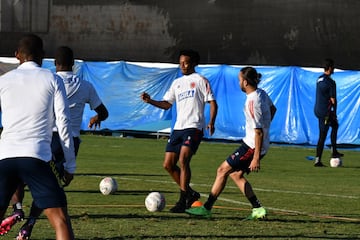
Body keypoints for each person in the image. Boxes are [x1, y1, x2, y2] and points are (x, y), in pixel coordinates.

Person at [10, 46, 109, 240]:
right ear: (73, 64)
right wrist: (97, 118)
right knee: (51, 186)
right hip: (68, 141)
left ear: (55, 63)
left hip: (41, 136)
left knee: (19, 175)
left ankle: (17, 209)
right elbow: (104, 112)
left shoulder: (47, 80)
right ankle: (28, 226)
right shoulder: (85, 86)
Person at [0, 34, 76, 239]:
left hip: (5, 157)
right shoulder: (52, 78)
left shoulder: (3, 81)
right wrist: (70, 166)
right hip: (36, 157)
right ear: (43, 56)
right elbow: (64, 124)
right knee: (60, 220)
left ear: (17, 56)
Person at [186, 66, 276, 219]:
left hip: (252, 146)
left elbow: (258, 131)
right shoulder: (261, 93)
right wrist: (266, 127)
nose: (239, 83)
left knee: (222, 170)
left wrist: (255, 157)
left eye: (239, 80)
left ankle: (207, 208)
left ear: (246, 82)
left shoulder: (252, 101)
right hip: (256, 144)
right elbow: (273, 109)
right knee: (235, 175)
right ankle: (258, 209)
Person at [141, 49, 218, 213]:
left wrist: (211, 122)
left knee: (183, 160)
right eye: (181, 62)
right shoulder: (177, 83)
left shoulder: (200, 80)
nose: (182, 65)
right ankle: (190, 193)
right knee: (168, 165)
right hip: (178, 128)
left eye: (186, 62)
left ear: (194, 63)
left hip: (194, 126)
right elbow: (167, 104)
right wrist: (150, 101)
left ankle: (183, 201)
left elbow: (212, 102)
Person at [313, 58, 343, 167]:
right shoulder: (331, 83)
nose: (334, 69)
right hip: (325, 112)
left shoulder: (319, 79)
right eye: (333, 67)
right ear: (330, 68)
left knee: (334, 126)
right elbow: (333, 100)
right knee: (323, 134)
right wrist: (334, 112)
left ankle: (332, 151)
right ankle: (319, 160)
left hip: (318, 109)